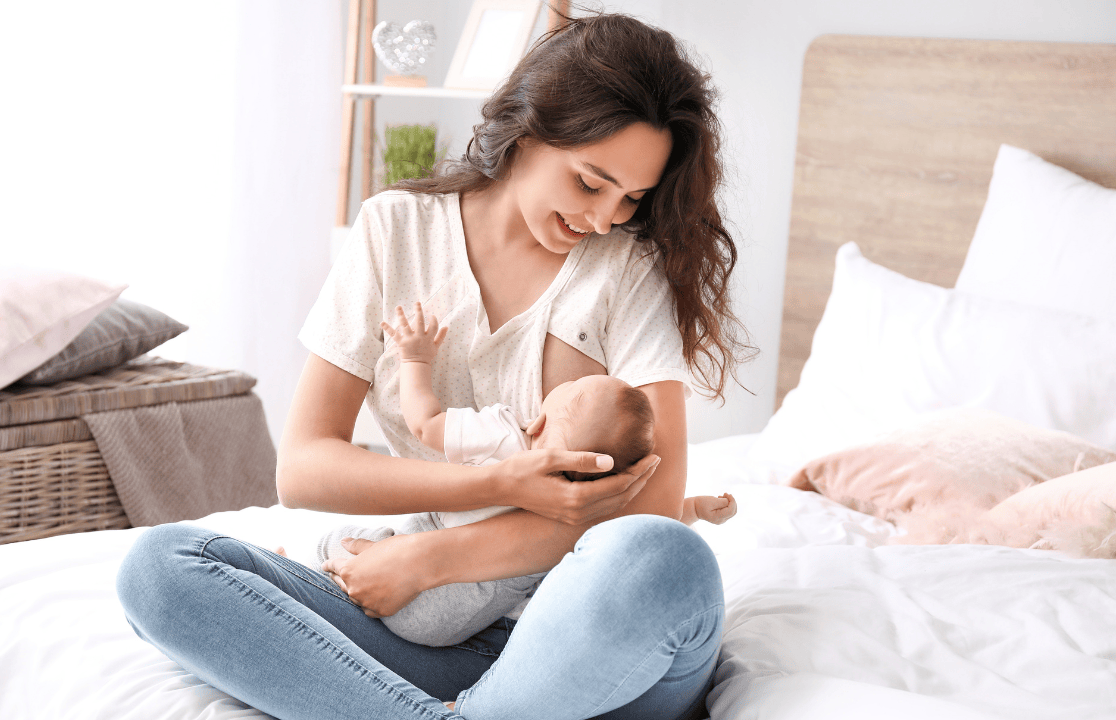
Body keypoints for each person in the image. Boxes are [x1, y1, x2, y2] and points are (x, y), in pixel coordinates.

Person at [117, 11, 752, 719]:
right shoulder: (395, 231)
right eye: (589, 182)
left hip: (585, 636)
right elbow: (303, 469)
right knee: (162, 570)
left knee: (662, 561)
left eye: (631, 198)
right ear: (530, 128)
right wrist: (496, 481)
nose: (605, 218)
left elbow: (655, 509)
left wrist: (430, 560)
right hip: (425, 631)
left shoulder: (626, 271)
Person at [285, 303, 738, 648]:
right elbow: (644, 527)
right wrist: (696, 507)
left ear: (539, 423)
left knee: (341, 540)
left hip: (422, 576)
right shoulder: (591, 503)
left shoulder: (505, 434)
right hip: (476, 622)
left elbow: (424, 423)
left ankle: (307, 570)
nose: (574, 380)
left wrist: (415, 360)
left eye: (576, 387)